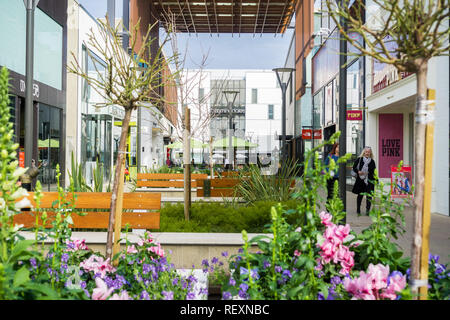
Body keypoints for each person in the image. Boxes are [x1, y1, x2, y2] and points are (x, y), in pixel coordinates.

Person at [352, 146, 377, 215]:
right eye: (366, 152)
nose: (367, 153)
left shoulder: (372, 161)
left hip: (369, 180)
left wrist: (376, 180)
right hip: (361, 180)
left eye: (368, 152)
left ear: (370, 153)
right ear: (364, 152)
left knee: (369, 196)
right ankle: (358, 209)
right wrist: (358, 171)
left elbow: (374, 171)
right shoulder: (359, 159)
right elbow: (354, 168)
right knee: (360, 195)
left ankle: (367, 210)